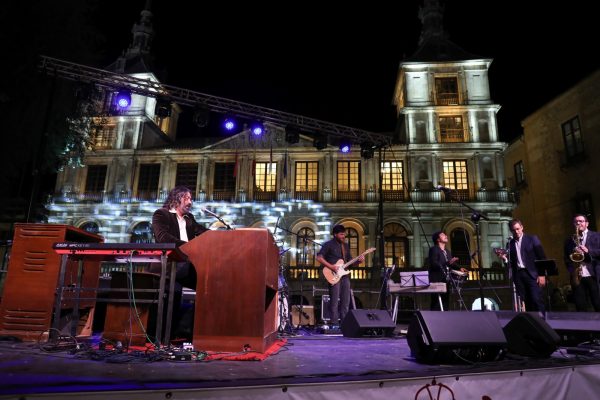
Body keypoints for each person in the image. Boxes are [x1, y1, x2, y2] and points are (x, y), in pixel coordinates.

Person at [152, 186, 208, 339]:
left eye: (191, 198)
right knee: (177, 290)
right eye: (187, 198)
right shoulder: (161, 214)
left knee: (210, 284)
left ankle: (187, 329)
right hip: (169, 265)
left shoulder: (190, 220)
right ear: (176, 198)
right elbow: (163, 238)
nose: (190, 202)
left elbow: (206, 234)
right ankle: (179, 330)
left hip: (185, 266)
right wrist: (190, 246)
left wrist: (226, 235)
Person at [316, 224, 364, 328]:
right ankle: (334, 324)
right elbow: (319, 258)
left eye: (344, 234)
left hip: (344, 275)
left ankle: (345, 324)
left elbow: (350, 264)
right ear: (335, 234)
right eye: (341, 234)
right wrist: (332, 267)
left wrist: (358, 262)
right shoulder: (328, 244)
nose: (343, 236)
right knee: (334, 300)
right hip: (333, 275)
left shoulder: (345, 246)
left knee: (345, 301)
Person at [501, 219, 547, 312]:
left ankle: (542, 323)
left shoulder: (532, 239)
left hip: (532, 274)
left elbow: (541, 257)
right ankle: (532, 322)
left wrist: (542, 274)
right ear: (511, 230)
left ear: (522, 227)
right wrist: (505, 259)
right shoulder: (510, 243)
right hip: (519, 276)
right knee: (526, 300)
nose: (516, 232)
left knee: (536, 299)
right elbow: (510, 263)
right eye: (513, 230)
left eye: (518, 229)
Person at [564, 214, 600, 311]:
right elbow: (566, 258)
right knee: (580, 306)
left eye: (581, 221)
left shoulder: (597, 236)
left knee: (597, 303)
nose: (578, 223)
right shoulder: (569, 241)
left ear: (587, 224)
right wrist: (572, 271)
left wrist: (588, 251)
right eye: (576, 222)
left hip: (593, 275)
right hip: (578, 276)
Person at [427, 231, 468, 311]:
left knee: (445, 300)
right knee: (436, 302)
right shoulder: (434, 249)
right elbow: (434, 264)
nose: (446, 236)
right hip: (437, 279)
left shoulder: (447, 251)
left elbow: (451, 263)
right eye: (443, 235)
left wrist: (460, 268)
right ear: (438, 239)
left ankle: (444, 316)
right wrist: (448, 263)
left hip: (446, 279)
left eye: (445, 234)